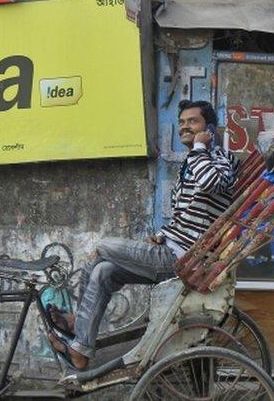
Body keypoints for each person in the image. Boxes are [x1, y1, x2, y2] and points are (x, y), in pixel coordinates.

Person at [48, 100, 237, 370]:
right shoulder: (195, 160)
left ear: (208, 128)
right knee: (103, 271)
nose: (185, 127)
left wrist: (199, 147)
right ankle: (81, 350)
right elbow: (186, 217)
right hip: (171, 248)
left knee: (102, 245)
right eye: (182, 122)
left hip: (183, 258)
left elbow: (211, 183)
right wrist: (161, 234)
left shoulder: (219, 159)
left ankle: (77, 321)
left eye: (192, 122)